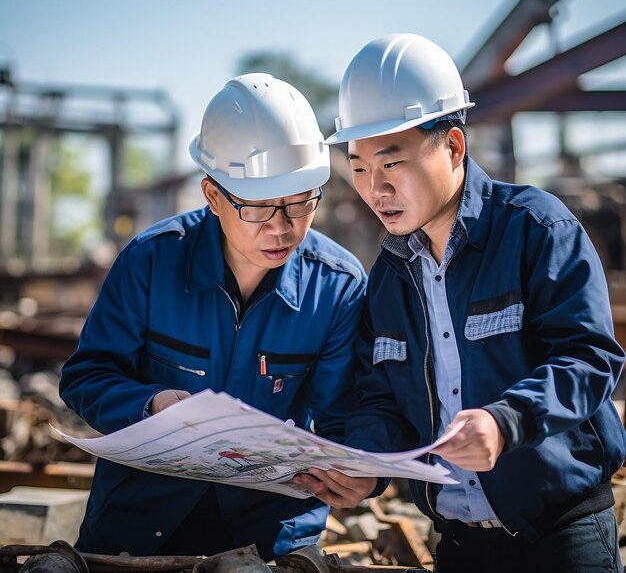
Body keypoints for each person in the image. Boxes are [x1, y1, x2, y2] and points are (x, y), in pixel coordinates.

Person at [293, 34, 626, 572]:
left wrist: (505, 422)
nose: (374, 189)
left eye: (391, 163)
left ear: (453, 146)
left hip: (563, 537)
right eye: (357, 168)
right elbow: (381, 398)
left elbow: (589, 360)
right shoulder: (389, 278)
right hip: (459, 546)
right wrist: (368, 468)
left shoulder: (536, 229)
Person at [59, 73, 366, 561]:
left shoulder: (337, 288)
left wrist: (358, 471)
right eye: (261, 208)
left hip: (269, 540)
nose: (284, 228)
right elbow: (85, 378)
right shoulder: (151, 262)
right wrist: (152, 404)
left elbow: (342, 418)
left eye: (302, 203)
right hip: (136, 533)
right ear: (213, 195)